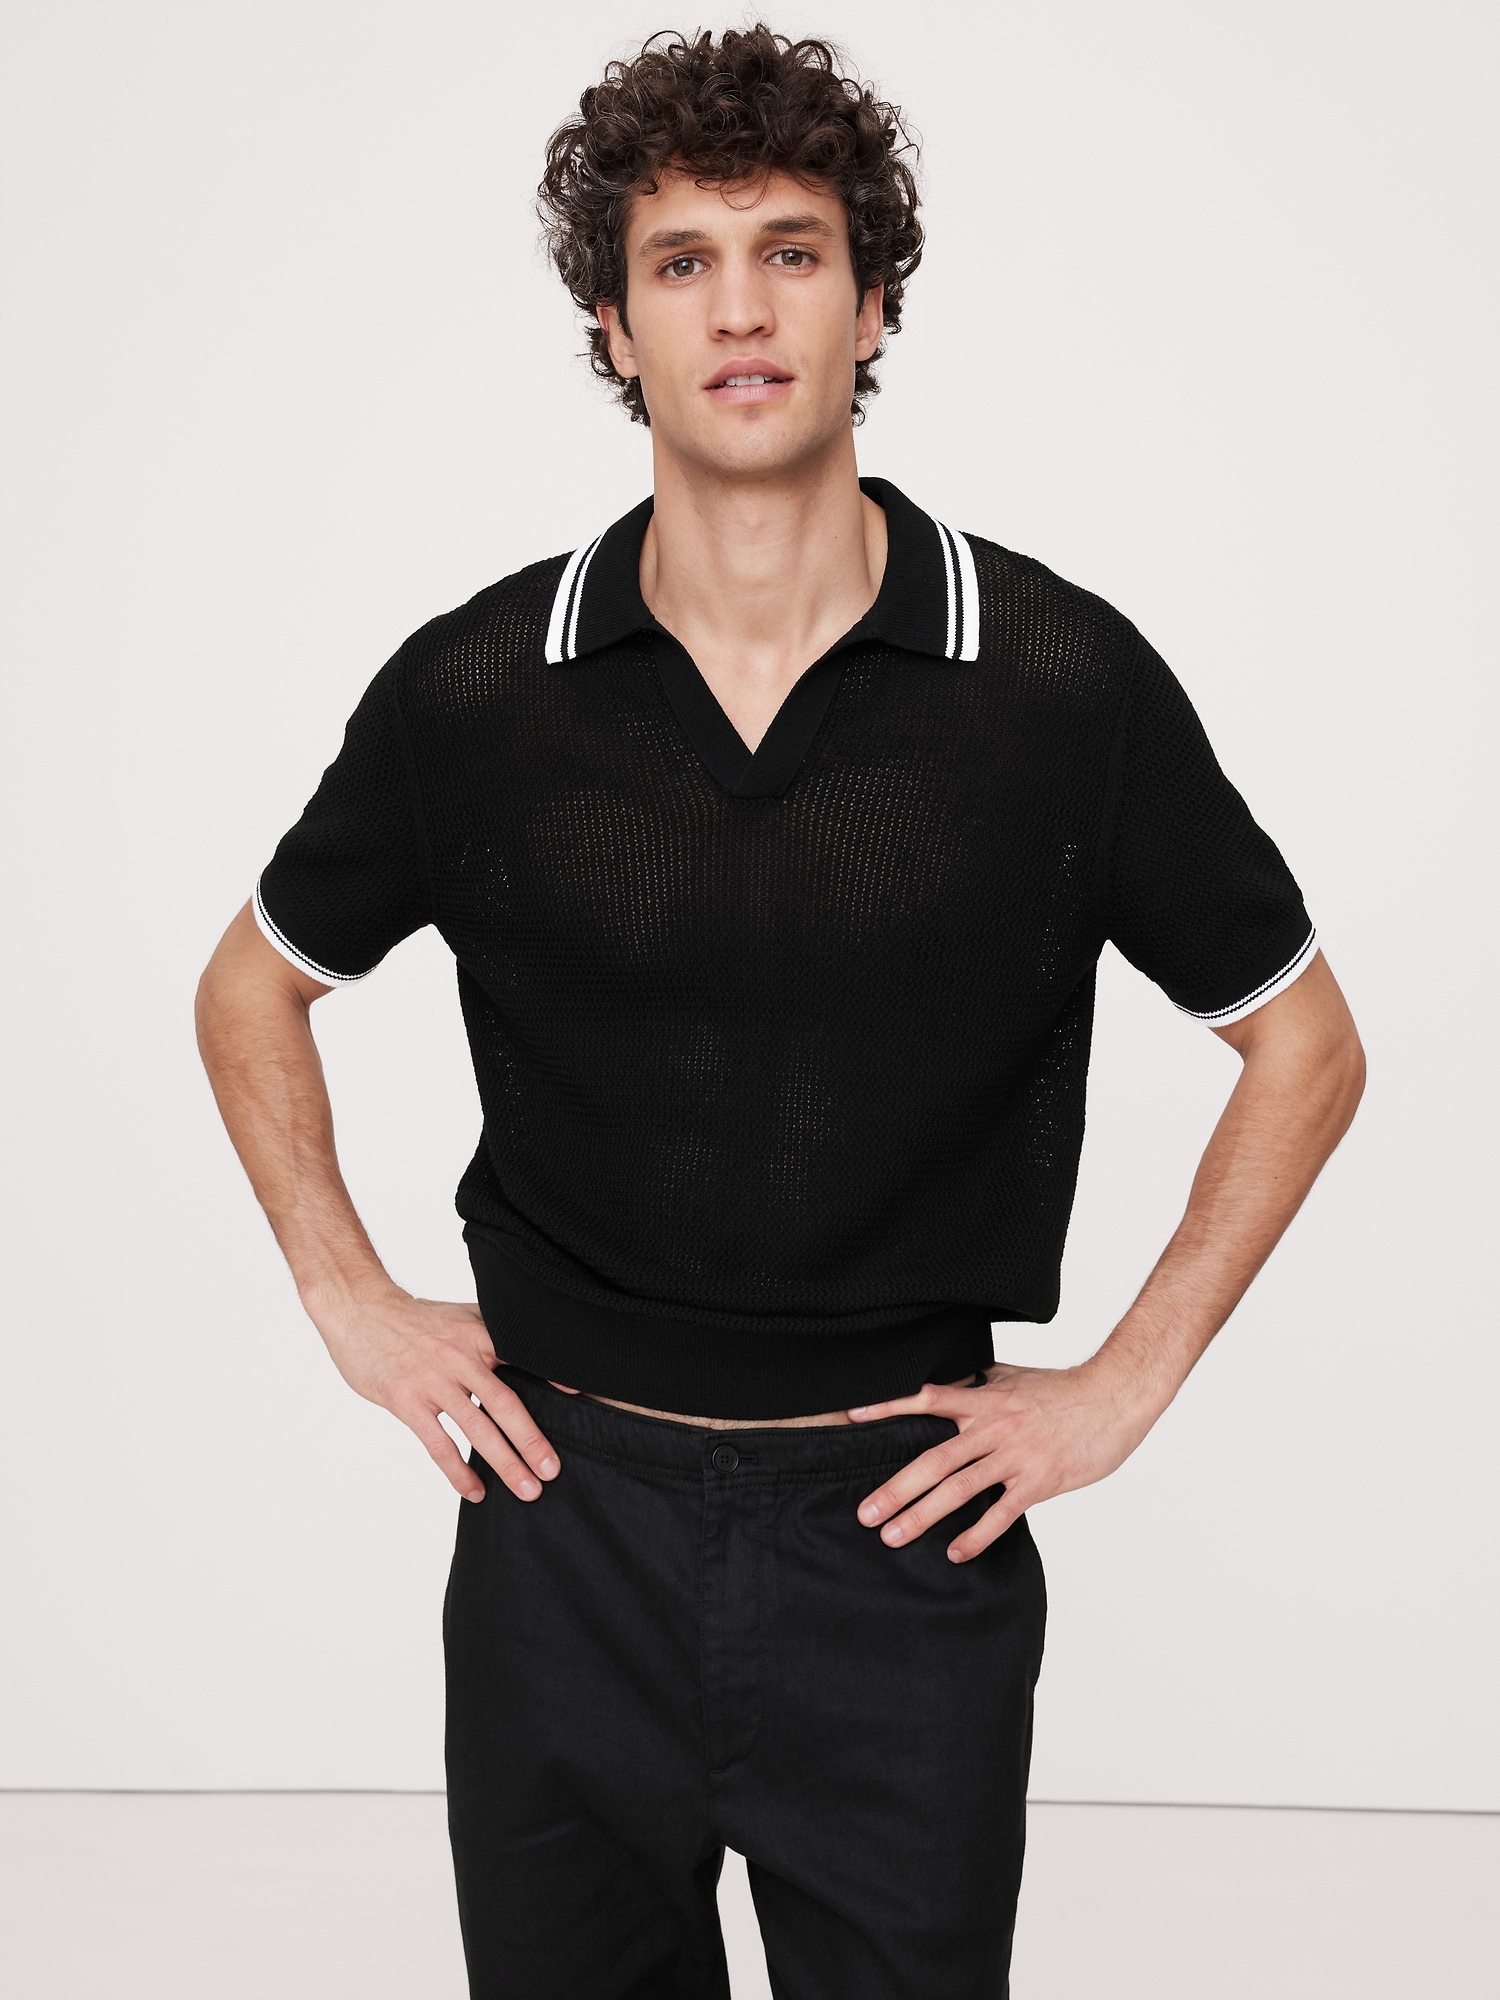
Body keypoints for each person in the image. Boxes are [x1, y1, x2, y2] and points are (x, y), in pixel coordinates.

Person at [195, 25, 1365, 1999]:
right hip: (563, 1521)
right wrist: (346, 1292)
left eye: (792, 251)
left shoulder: (1057, 684)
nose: (740, 309)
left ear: (872, 298)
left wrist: (1123, 1383)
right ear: (614, 323)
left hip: (901, 1534)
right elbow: (253, 983)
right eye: (683, 260)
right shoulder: (482, 689)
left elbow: (1305, 1040)